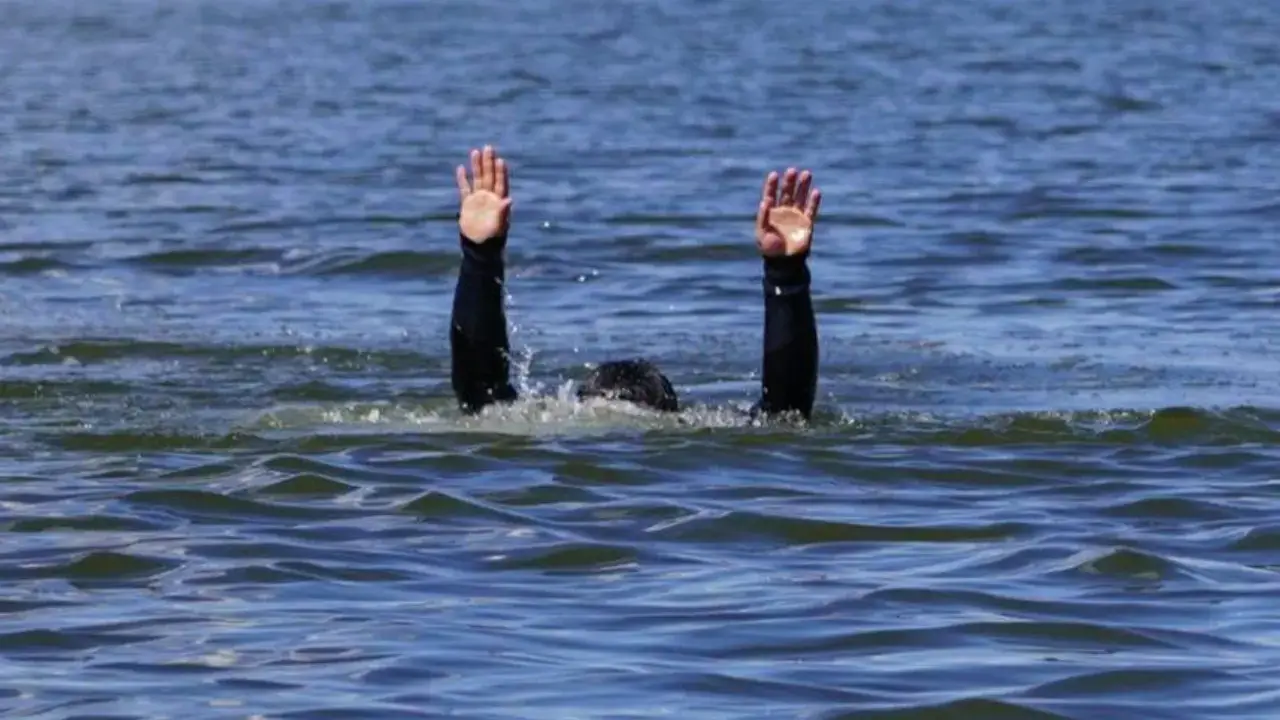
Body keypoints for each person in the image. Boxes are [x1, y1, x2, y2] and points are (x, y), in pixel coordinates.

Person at [449, 145, 821, 421]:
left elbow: (482, 399)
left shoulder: (553, 430)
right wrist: (785, 275)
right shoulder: (693, 436)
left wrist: (481, 256)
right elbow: (786, 414)